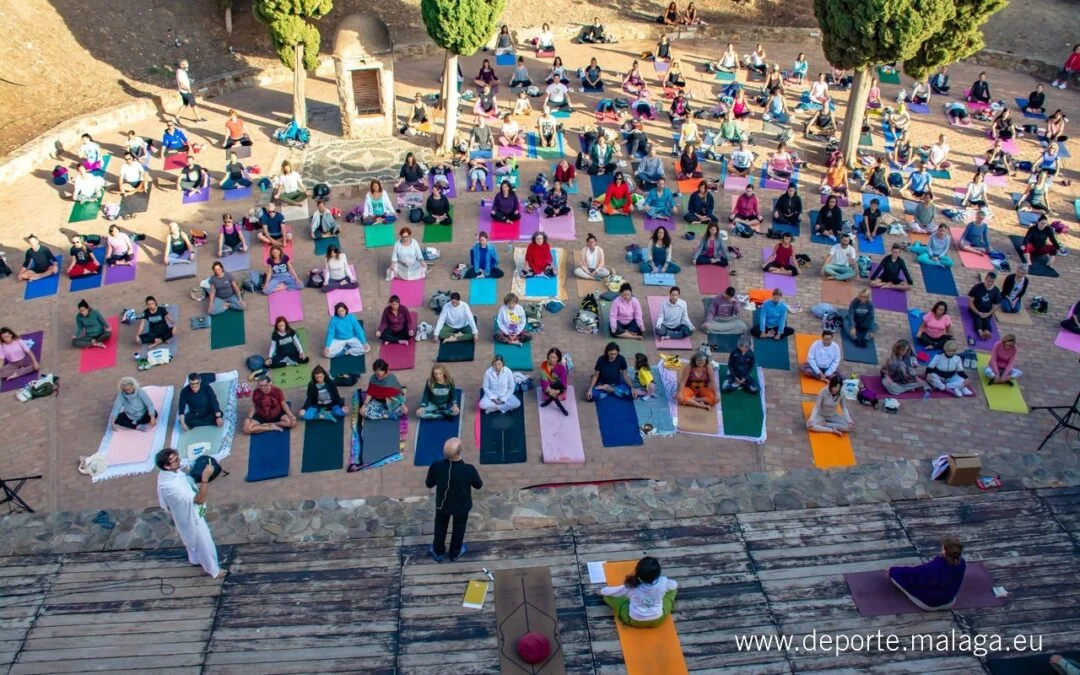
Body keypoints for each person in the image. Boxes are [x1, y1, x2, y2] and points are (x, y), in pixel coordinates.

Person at [155, 448, 218, 579]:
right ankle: (214, 570)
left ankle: (194, 559)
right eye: (176, 460)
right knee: (205, 543)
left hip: (181, 513)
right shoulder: (173, 487)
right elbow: (200, 500)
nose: (179, 461)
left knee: (189, 536)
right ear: (167, 466)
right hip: (192, 516)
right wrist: (204, 479)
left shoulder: (165, 475)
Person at [425, 437, 483, 562]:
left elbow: (429, 484)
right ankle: (454, 553)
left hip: (442, 504)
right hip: (462, 506)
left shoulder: (436, 466)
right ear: (459, 451)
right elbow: (478, 485)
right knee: (459, 529)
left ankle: (438, 551)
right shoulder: (469, 469)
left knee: (440, 527)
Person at [888, 537, 966, 611]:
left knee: (901, 578)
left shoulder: (934, 567)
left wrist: (893, 570)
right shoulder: (962, 564)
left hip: (930, 604)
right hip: (949, 601)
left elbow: (912, 575)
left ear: (944, 551)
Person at [601, 556, 678, 628]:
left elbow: (613, 592)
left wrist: (602, 591)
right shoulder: (663, 582)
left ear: (637, 571)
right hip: (658, 620)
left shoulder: (631, 586)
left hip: (634, 621)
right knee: (672, 590)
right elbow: (674, 585)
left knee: (608, 596)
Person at [967, 272, 1000, 341]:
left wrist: (989, 313)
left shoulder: (996, 291)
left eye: (992, 282)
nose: (990, 283)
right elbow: (970, 302)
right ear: (985, 279)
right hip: (975, 309)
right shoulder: (977, 287)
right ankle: (980, 333)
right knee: (977, 319)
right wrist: (978, 312)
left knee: (987, 321)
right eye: (989, 281)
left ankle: (988, 333)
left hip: (987, 312)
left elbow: (995, 306)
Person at [539, 347, 570, 413]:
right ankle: (562, 408)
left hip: (558, 386)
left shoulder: (561, 367)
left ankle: (549, 401)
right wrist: (550, 390)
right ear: (548, 356)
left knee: (560, 385)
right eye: (551, 357)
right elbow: (544, 381)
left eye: (555, 357)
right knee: (549, 392)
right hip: (548, 386)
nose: (552, 359)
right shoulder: (544, 365)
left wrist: (557, 391)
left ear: (558, 358)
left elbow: (564, 382)